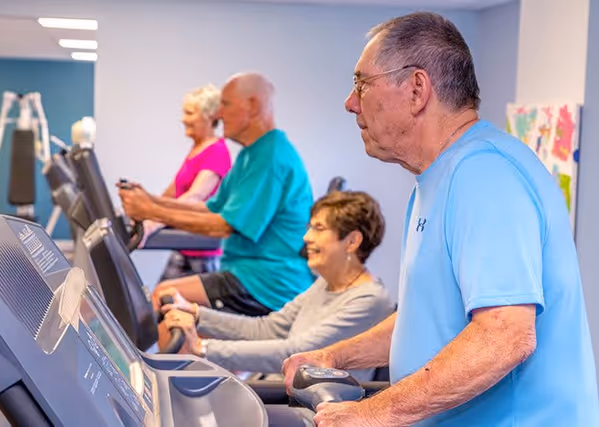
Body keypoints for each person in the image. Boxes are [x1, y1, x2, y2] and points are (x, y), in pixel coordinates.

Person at [282, 11, 599, 427]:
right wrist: (335, 356)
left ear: (417, 89)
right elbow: (429, 316)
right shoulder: (436, 177)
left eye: (361, 83)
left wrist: (372, 415)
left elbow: (504, 336)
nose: (350, 102)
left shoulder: (484, 173)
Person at [118, 72, 315, 318]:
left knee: (164, 297)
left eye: (226, 104)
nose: (218, 114)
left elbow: (221, 226)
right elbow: (211, 208)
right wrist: (151, 201)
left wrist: (151, 211)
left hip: (268, 284)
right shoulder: (250, 154)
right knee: (170, 304)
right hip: (247, 273)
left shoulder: (271, 158)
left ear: (252, 106)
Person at [158, 191, 395, 380]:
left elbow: (296, 353)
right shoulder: (326, 284)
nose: (307, 238)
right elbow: (269, 327)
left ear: (352, 241)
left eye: (318, 229)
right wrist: (198, 315)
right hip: (276, 387)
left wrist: (202, 348)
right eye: (309, 228)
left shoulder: (369, 300)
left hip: (310, 408)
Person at [137, 84, 232, 278]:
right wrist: (143, 209)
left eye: (190, 114)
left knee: (169, 302)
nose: (183, 119)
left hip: (202, 253)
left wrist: (156, 221)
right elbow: (171, 193)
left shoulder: (217, 151)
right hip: (184, 246)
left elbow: (195, 196)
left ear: (211, 116)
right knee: (162, 302)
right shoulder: (197, 149)